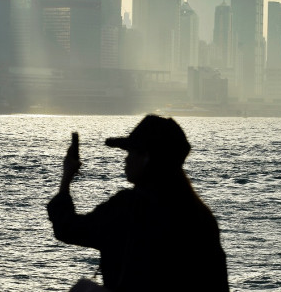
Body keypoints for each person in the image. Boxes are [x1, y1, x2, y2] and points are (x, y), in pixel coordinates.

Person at [47, 115, 229, 292]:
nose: (126, 159)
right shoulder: (200, 217)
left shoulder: (128, 208)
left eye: (131, 152)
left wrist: (66, 177)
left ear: (146, 158)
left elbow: (68, 228)